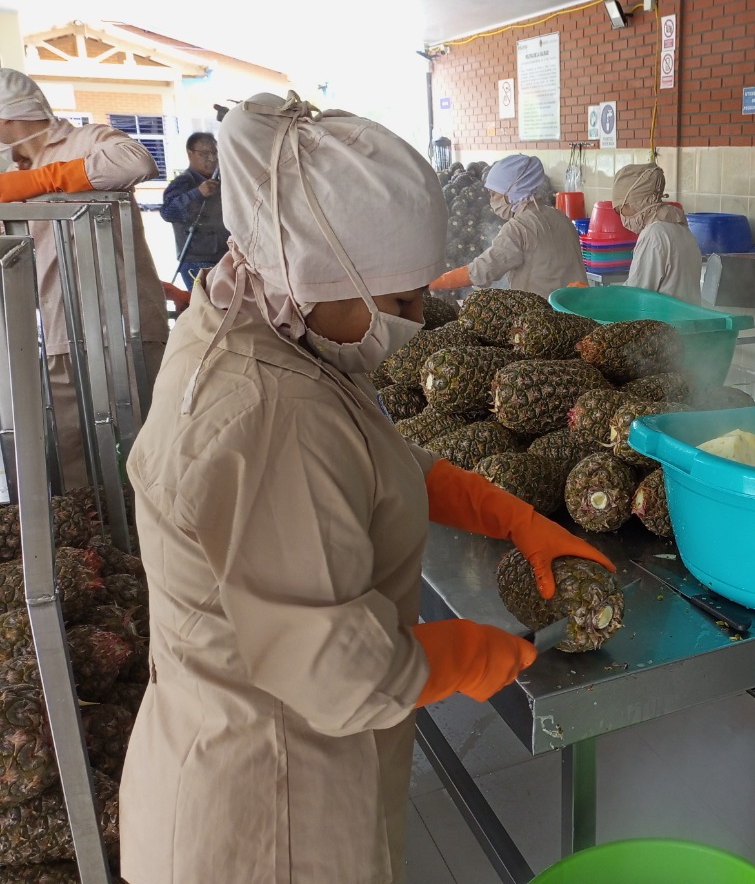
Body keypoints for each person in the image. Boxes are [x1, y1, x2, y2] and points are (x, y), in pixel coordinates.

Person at [118, 92, 612, 884]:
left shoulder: (251, 310)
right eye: (402, 302)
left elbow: (358, 455)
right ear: (321, 273)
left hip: (246, 751)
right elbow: (339, 671)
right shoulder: (268, 413)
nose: (417, 319)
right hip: (267, 815)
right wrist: (460, 655)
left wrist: (498, 508)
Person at [0, 69, 170, 489]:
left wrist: (39, 182)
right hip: (59, 328)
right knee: (72, 448)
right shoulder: (8, 165)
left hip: (126, 325)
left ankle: (151, 541)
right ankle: (95, 546)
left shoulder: (88, 140)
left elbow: (138, 161)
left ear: (6, 118)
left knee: (146, 444)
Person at [428, 153, 586, 297]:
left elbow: (482, 271)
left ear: (513, 192)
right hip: (576, 310)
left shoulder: (519, 228)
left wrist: (434, 283)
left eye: (494, 194)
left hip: (542, 319)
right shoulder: (561, 216)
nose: (492, 200)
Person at [612, 162, 702, 305]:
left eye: (621, 209)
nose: (622, 216)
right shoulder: (680, 228)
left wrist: (603, 298)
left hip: (666, 324)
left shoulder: (654, 235)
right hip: (688, 321)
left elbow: (637, 293)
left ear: (635, 203)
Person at [161, 131, 230, 289]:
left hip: (225, 257)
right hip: (197, 261)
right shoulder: (183, 182)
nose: (212, 159)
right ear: (190, 154)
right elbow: (168, 212)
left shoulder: (221, 180)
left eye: (214, 152)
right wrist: (197, 194)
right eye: (204, 153)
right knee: (206, 309)